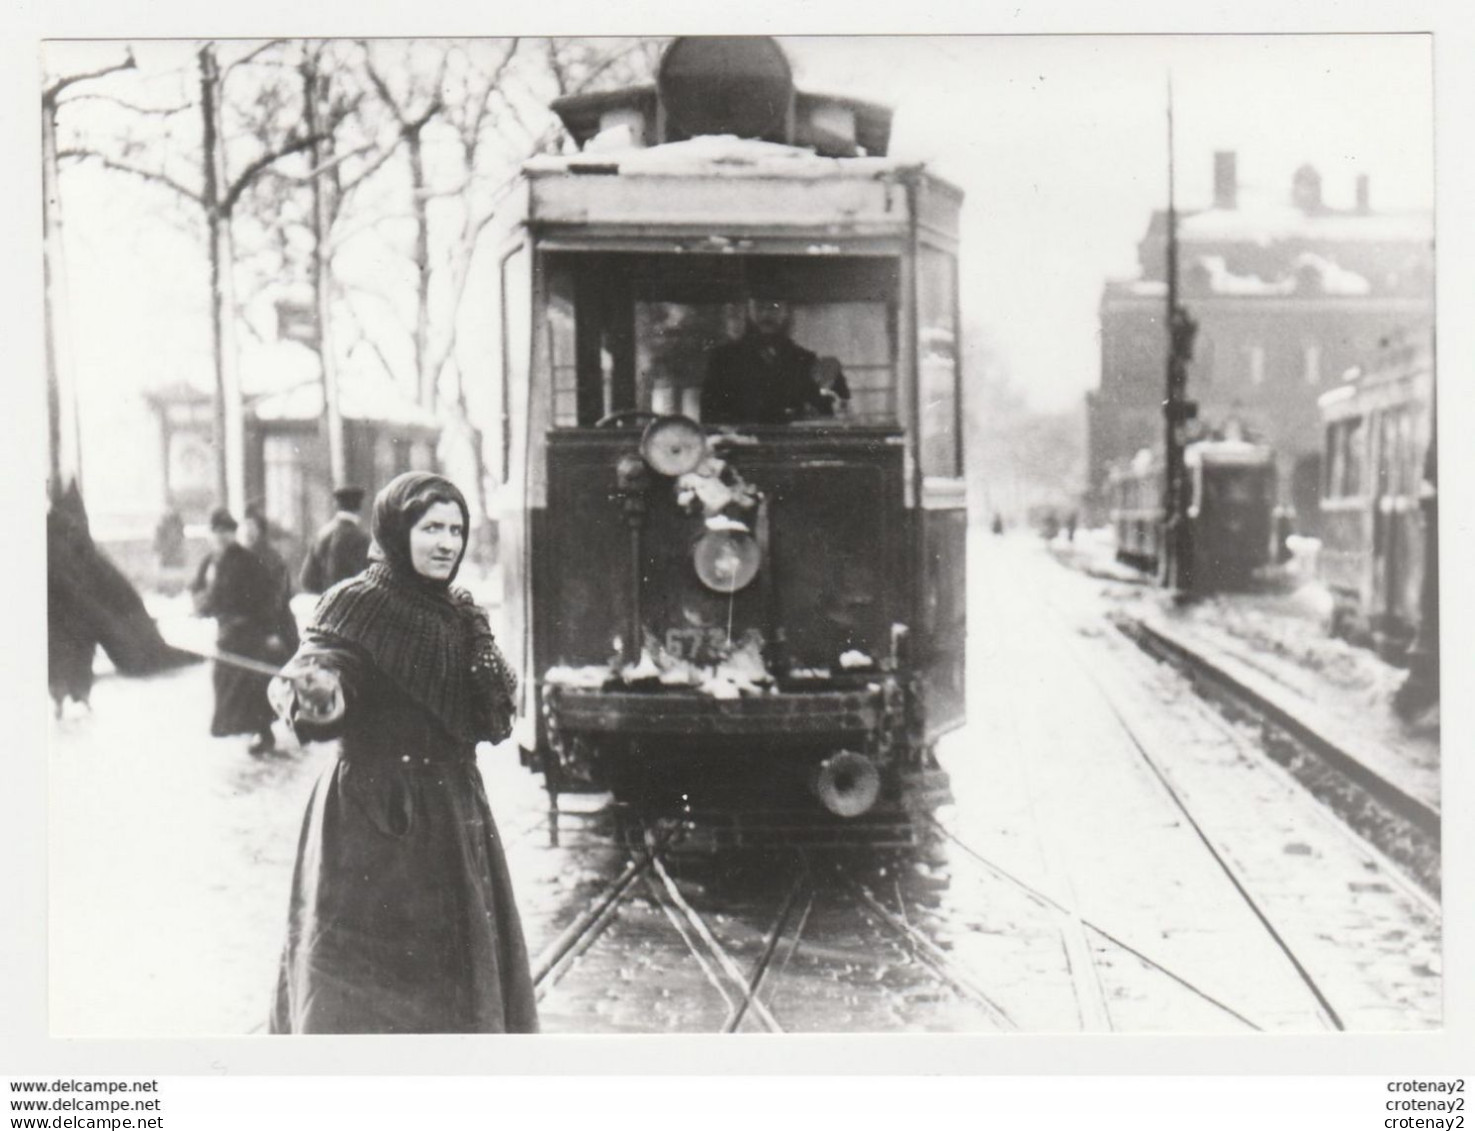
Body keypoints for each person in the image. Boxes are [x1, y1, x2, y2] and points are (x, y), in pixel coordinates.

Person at [266, 472, 536, 1034]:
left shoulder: (461, 612)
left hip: (454, 809)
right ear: (395, 531)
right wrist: (318, 691)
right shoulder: (354, 602)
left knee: (454, 977)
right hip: (374, 816)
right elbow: (323, 665)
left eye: (456, 529)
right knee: (366, 986)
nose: (446, 543)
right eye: (430, 527)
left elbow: (490, 706)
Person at [189, 507, 280, 755]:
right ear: (211, 534)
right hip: (225, 633)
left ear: (233, 533)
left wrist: (270, 631)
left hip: (248, 632)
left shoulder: (248, 561)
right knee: (224, 681)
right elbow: (198, 589)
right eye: (217, 532)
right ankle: (240, 728)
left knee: (251, 686)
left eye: (227, 532)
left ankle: (262, 732)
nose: (222, 537)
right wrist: (200, 606)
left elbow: (267, 596)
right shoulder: (210, 562)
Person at [702, 298, 850, 425]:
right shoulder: (722, 360)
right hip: (739, 450)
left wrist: (834, 378)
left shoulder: (806, 360)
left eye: (775, 307)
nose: (766, 315)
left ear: (787, 311)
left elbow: (829, 412)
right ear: (749, 310)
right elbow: (709, 418)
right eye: (759, 307)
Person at [241, 502, 300, 662]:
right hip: (257, 629)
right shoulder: (246, 555)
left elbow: (276, 598)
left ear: (259, 529)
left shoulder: (269, 558)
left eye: (250, 526)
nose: (246, 530)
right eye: (244, 525)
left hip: (275, 628)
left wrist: (271, 632)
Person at [299, 486, 370, 593]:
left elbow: (307, 580)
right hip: (353, 603)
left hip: (326, 603)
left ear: (336, 505)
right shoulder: (362, 537)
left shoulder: (322, 534)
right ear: (359, 506)